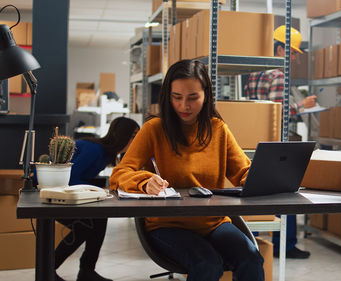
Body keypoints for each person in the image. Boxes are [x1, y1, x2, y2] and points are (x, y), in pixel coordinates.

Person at [109, 59, 264, 281]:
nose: (184, 106)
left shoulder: (218, 129)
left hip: (213, 223)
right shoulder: (154, 129)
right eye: (177, 97)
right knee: (207, 264)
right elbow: (119, 174)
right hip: (167, 225)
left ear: (206, 95)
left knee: (251, 258)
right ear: (167, 96)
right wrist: (144, 182)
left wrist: (263, 179)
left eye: (193, 98)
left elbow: (243, 173)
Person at [243, 25, 315, 259]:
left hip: (256, 140)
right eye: (292, 52)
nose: (294, 57)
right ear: (279, 48)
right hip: (275, 143)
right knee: (287, 193)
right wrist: (302, 106)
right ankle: (287, 245)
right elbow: (279, 112)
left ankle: (256, 241)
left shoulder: (254, 72)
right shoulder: (277, 75)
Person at [52, 117, 140, 281]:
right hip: (50, 192)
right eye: (134, 135)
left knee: (99, 217)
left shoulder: (106, 154)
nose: (137, 139)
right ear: (122, 135)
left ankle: (87, 271)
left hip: (63, 192)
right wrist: (98, 190)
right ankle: (48, 269)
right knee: (85, 226)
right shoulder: (95, 150)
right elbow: (70, 178)